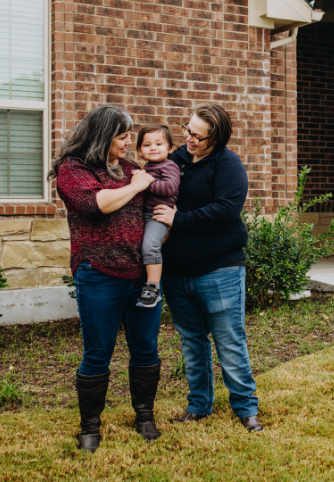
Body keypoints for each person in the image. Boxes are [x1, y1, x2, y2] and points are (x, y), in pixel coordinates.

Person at [48, 104, 163, 453]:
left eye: (129, 135)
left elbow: (150, 208)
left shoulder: (129, 168)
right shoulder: (73, 169)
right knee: (98, 353)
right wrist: (138, 183)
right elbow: (97, 205)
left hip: (141, 275)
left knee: (145, 348)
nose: (130, 141)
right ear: (103, 136)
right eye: (123, 135)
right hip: (98, 273)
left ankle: (144, 415)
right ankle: (90, 427)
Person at [152, 103, 263, 432]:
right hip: (176, 273)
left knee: (229, 340)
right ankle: (199, 406)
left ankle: (246, 408)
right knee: (191, 342)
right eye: (187, 129)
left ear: (216, 138)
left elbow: (225, 210)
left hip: (220, 271)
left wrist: (178, 219)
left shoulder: (228, 165)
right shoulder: (176, 161)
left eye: (197, 136)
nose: (189, 138)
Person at [135, 124, 180, 309]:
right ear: (139, 150)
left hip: (159, 216)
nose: (153, 148)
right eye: (147, 145)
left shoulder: (169, 166)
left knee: (150, 246)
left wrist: (144, 183)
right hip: (146, 215)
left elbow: (169, 187)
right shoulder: (148, 167)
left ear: (170, 148)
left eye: (159, 143)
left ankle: (153, 289)